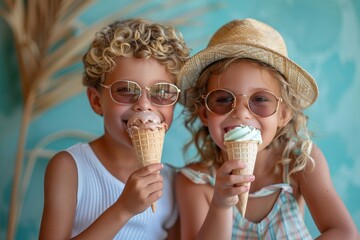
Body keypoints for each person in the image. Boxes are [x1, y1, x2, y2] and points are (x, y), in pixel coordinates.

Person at [175, 18, 358, 239]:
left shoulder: (300, 163)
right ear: (204, 113)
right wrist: (221, 206)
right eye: (223, 99)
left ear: (283, 114)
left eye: (260, 99)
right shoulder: (195, 181)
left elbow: (344, 233)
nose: (241, 113)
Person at [39, 18, 190, 240]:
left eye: (162, 92)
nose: (144, 105)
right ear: (96, 101)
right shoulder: (70, 167)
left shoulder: (175, 182)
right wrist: (124, 209)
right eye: (126, 90)